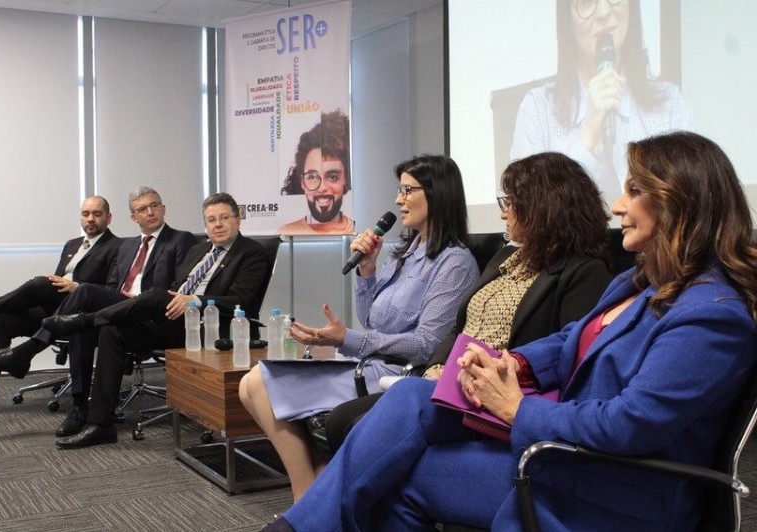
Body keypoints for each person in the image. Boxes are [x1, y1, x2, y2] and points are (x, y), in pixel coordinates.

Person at [266, 131, 757, 532]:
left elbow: (630, 423)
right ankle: (299, 527)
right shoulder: (640, 281)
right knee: (412, 399)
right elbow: (569, 340)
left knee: (395, 475)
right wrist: (514, 362)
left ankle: (300, 527)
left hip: (617, 487)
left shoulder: (712, 315)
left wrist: (519, 408)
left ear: (677, 202)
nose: (616, 205)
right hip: (572, 453)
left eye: (632, 190)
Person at [325, 151, 615, 452]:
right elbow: (460, 325)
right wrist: (437, 366)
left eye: (510, 203)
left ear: (542, 206)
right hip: (449, 380)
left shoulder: (583, 272)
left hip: (491, 393)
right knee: (342, 421)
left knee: (363, 425)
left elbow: (565, 355)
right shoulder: (507, 257)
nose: (503, 214)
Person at [242, 154, 480, 501]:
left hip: (399, 375)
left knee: (258, 383)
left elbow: (428, 345)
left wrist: (347, 339)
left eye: (407, 190)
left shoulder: (455, 263)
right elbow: (372, 320)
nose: (398, 199)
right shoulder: (404, 252)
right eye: (399, 190)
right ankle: (316, 489)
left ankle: (305, 496)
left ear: (437, 193)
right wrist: (366, 271)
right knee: (247, 386)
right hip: (367, 363)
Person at [43, 192, 270, 449]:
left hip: (206, 326)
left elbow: (241, 300)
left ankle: (86, 320)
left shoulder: (251, 253)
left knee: (155, 294)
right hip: (171, 320)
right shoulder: (199, 250)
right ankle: (101, 424)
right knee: (112, 330)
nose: (217, 225)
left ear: (238, 220)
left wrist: (195, 300)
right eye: (211, 220)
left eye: (224, 218)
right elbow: (176, 287)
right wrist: (168, 300)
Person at [0, 186, 197, 436]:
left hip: (149, 310)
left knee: (81, 297)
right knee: (64, 317)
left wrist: (123, 298)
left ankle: (25, 351)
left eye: (154, 206)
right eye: (142, 209)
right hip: (116, 305)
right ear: (134, 217)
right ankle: (70, 407)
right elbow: (113, 287)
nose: (150, 212)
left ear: (163, 208)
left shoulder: (180, 239)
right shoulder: (128, 246)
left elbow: (179, 286)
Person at [0, 196, 121, 422]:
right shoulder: (72, 245)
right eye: (85, 214)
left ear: (109, 218)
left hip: (85, 313)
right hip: (57, 309)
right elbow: (56, 282)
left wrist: (77, 287)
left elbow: (112, 291)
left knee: (40, 283)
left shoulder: (118, 246)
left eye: (97, 214)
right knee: (3, 317)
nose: (90, 219)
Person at [509, 0, 693, 202]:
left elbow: (690, 205)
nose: (604, 12)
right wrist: (588, 137)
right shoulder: (538, 110)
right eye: (587, 2)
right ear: (567, 19)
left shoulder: (670, 106)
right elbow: (530, 212)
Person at [277, 110, 355, 235]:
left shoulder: (359, 233)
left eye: (332, 177)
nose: (322, 188)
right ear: (302, 182)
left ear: (345, 179)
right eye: (312, 177)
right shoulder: (286, 233)